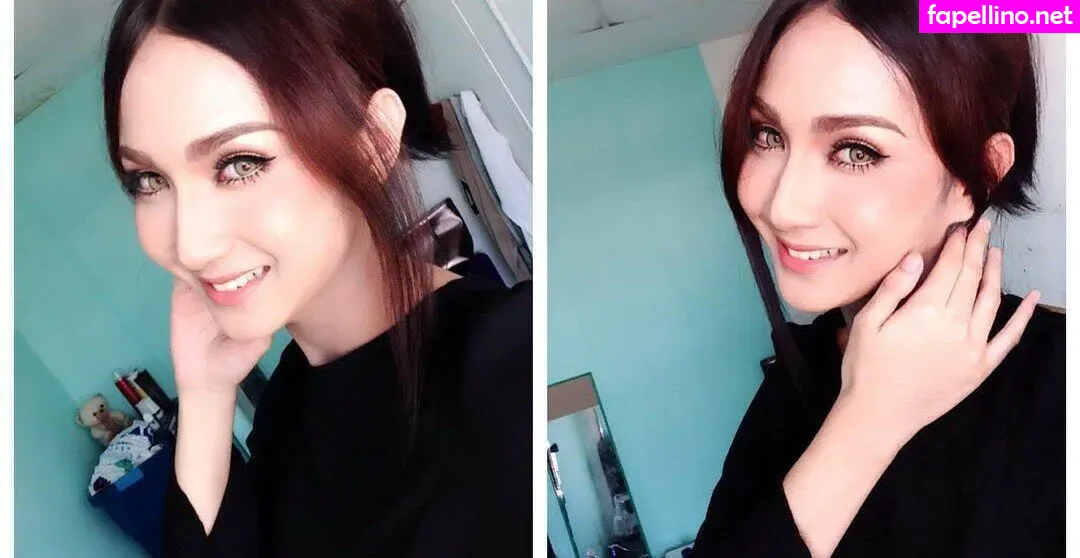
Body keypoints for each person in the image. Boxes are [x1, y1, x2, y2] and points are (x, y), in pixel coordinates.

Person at [101, 0, 532, 555]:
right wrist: (206, 395)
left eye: (240, 163)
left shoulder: (509, 361)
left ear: (374, 141)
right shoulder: (285, 409)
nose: (191, 246)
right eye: (149, 179)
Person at [691, 1, 1063, 556]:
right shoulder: (790, 387)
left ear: (980, 174)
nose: (782, 205)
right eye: (766, 135)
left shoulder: (1058, 386)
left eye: (855, 150)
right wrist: (867, 420)